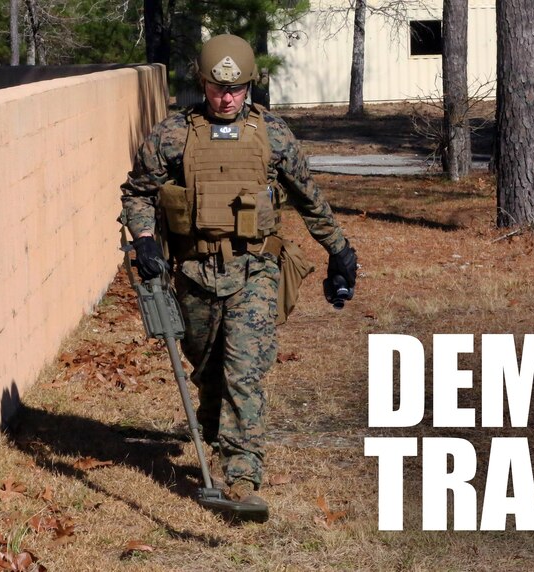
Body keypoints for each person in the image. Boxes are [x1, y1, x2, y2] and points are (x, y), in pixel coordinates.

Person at [119, 34, 357, 521]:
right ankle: (213, 422)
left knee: (243, 370)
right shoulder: (173, 135)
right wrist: (144, 238)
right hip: (193, 271)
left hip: (255, 268)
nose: (226, 97)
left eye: (236, 88)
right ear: (202, 83)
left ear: (250, 85)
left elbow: (308, 195)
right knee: (206, 364)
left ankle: (242, 472)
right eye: (216, 87)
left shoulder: (272, 133)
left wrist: (339, 249)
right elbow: (138, 192)